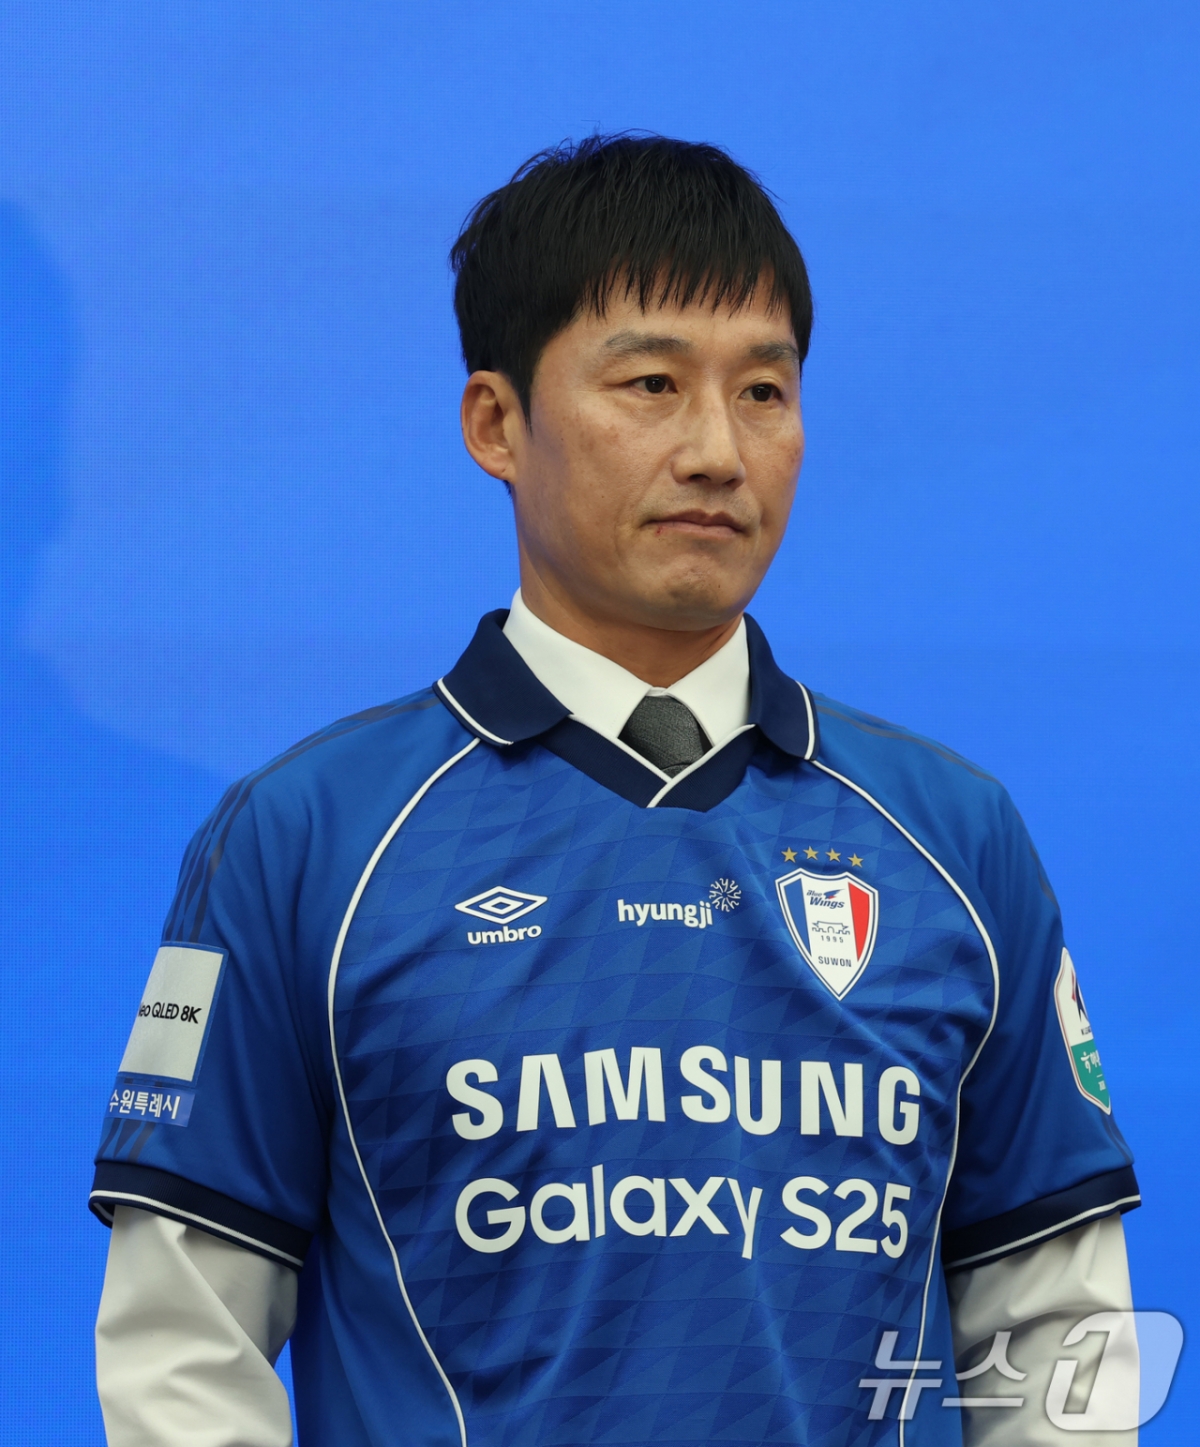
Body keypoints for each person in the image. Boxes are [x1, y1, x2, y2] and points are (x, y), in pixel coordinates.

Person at [92, 136, 1140, 1446]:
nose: (717, 451)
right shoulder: (312, 839)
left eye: (764, 391)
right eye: (652, 383)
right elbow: (185, 1345)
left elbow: (1055, 1329)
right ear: (496, 424)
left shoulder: (952, 840)